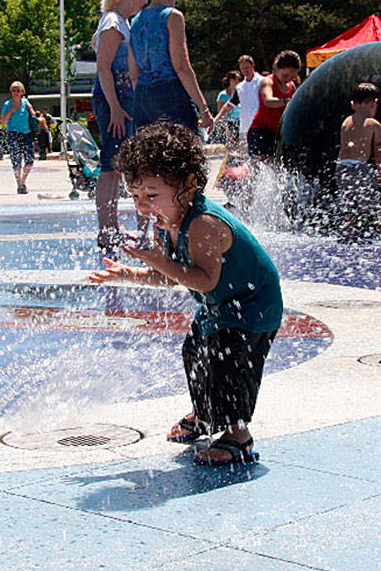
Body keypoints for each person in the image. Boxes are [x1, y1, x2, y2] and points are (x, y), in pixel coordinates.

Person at [90, 122, 283, 466]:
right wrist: (131, 274)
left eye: (151, 195)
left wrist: (161, 261)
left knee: (228, 364)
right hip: (222, 306)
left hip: (252, 308)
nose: (143, 207)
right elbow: (169, 277)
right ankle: (205, 415)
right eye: (135, 197)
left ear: (188, 185)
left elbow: (204, 280)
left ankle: (239, 437)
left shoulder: (203, 223)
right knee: (195, 352)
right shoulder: (170, 219)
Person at [93, 0, 149, 246]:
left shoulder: (120, 21)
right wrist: (115, 107)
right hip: (112, 99)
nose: (144, 3)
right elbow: (103, 67)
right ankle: (106, 230)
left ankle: (111, 227)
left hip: (121, 99)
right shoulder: (114, 23)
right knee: (110, 165)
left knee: (117, 165)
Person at [128, 0, 214, 136]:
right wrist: (204, 109)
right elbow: (181, 67)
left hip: (142, 97)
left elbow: (134, 73)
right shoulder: (172, 17)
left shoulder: (136, 21)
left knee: (150, 156)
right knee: (185, 153)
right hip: (170, 93)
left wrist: (145, 98)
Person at [336, 82, 381, 241]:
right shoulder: (373, 124)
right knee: (375, 200)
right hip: (360, 168)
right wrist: (380, 168)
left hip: (341, 167)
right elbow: (377, 148)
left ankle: (349, 230)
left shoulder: (346, 121)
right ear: (373, 104)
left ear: (354, 104)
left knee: (349, 200)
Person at [247, 50, 301, 163]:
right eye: (285, 75)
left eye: (292, 77)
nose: (288, 79)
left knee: (278, 165)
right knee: (264, 165)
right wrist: (286, 101)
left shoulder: (291, 86)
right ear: (276, 68)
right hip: (260, 130)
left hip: (277, 133)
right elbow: (268, 101)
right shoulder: (267, 82)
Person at [0, 80, 38, 194]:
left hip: (26, 133)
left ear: (22, 91)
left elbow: (33, 115)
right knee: (16, 161)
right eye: (14, 90)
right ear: (11, 92)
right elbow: (3, 121)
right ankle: (19, 185)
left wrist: (31, 110)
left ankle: (22, 181)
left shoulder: (25, 102)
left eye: (18, 90)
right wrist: (11, 111)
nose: (16, 92)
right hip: (13, 133)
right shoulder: (8, 104)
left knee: (30, 161)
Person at [234, 55, 262, 149]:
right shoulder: (239, 87)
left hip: (260, 126)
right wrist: (216, 119)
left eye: (247, 67)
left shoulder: (263, 81)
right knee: (245, 157)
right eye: (242, 68)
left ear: (253, 65)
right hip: (244, 128)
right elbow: (230, 105)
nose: (245, 70)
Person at [213, 70, 241, 150]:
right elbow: (221, 113)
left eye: (238, 79)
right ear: (229, 80)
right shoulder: (223, 95)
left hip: (239, 122)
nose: (237, 81)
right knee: (230, 146)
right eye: (235, 79)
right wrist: (228, 131)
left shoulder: (239, 93)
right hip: (228, 123)